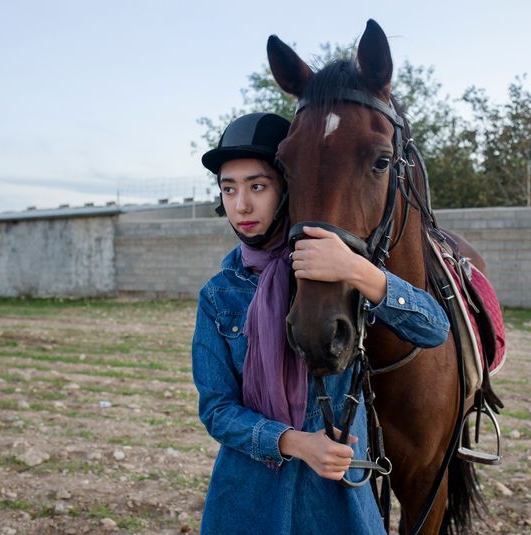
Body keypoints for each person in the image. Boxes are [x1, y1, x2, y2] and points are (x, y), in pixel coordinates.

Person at [192, 112, 450, 534]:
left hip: (336, 505)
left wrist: (358, 270)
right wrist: (296, 443)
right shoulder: (219, 295)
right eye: (229, 188)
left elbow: (433, 329)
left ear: (289, 190)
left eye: (257, 186)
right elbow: (217, 410)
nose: (241, 206)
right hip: (248, 501)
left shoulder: (333, 280)